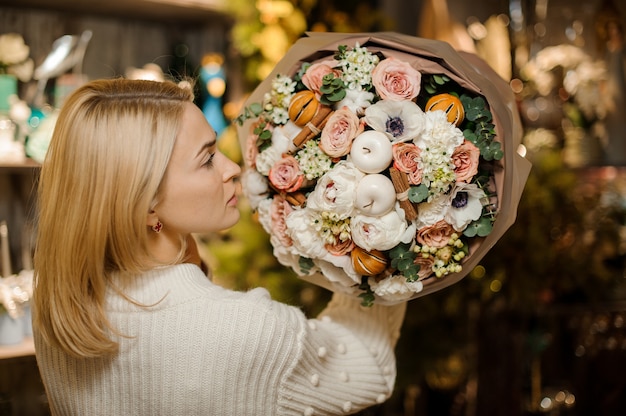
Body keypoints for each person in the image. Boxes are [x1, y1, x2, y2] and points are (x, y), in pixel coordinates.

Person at [32, 78, 406, 415]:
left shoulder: (60, 312)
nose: (231, 168)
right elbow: (370, 368)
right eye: (208, 158)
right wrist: (380, 233)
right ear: (144, 200)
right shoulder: (244, 328)